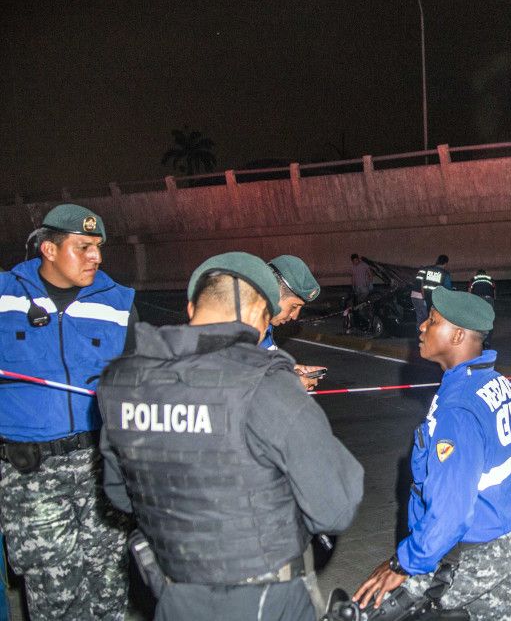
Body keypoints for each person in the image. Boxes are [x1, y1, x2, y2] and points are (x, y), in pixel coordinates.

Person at [98, 251, 364, 621]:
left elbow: (120, 494)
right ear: (258, 314)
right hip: (266, 600)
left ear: (192, 308)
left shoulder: (124, 382)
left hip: (176, 597)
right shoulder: (268, 385)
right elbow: (335, 507)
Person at [354, 288, 511, 620]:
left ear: (458, 335)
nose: (422, 327)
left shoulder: (458, 410)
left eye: (433, 321)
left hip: (469, 550)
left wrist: (403, 564)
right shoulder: (499, 384)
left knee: (375, 608)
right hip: (507, 532)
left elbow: (450, 511)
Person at [0, 203, 136, 620]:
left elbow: (135, 380)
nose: (96, 257)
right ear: (49, 249)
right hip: (30, 473)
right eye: (84, 247)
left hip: (100, 466)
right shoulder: (4, 295)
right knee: (55, 595)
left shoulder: (119, 302)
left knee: (110, 588)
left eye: (98, 247)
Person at [262, 254, 326, 391]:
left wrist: (292, 370)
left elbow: (262, 361)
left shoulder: (266, 324)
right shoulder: (234, 324)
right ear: (272, 294)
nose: (295, 316)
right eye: (294, 306)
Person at [411, 254, 452, 325]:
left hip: (415, 296)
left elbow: (418, 282)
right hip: (429, 299)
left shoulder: (425, 269)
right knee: (429, 319)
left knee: (420, 319)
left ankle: (420, 331)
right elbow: (447, 289)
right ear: (446, 263)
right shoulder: (445, 274)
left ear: (437, 261)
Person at [469, 269, 496, 348]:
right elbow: (494, 291)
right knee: (489, 319)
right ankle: (487, 341)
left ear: (477, 274)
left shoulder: (473, 279)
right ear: (485, 274)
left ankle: (477, 340)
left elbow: (469, 290)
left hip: (477, 299)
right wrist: (493, 300)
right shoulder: (490, 279)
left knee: (476, 319)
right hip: (488, 299)